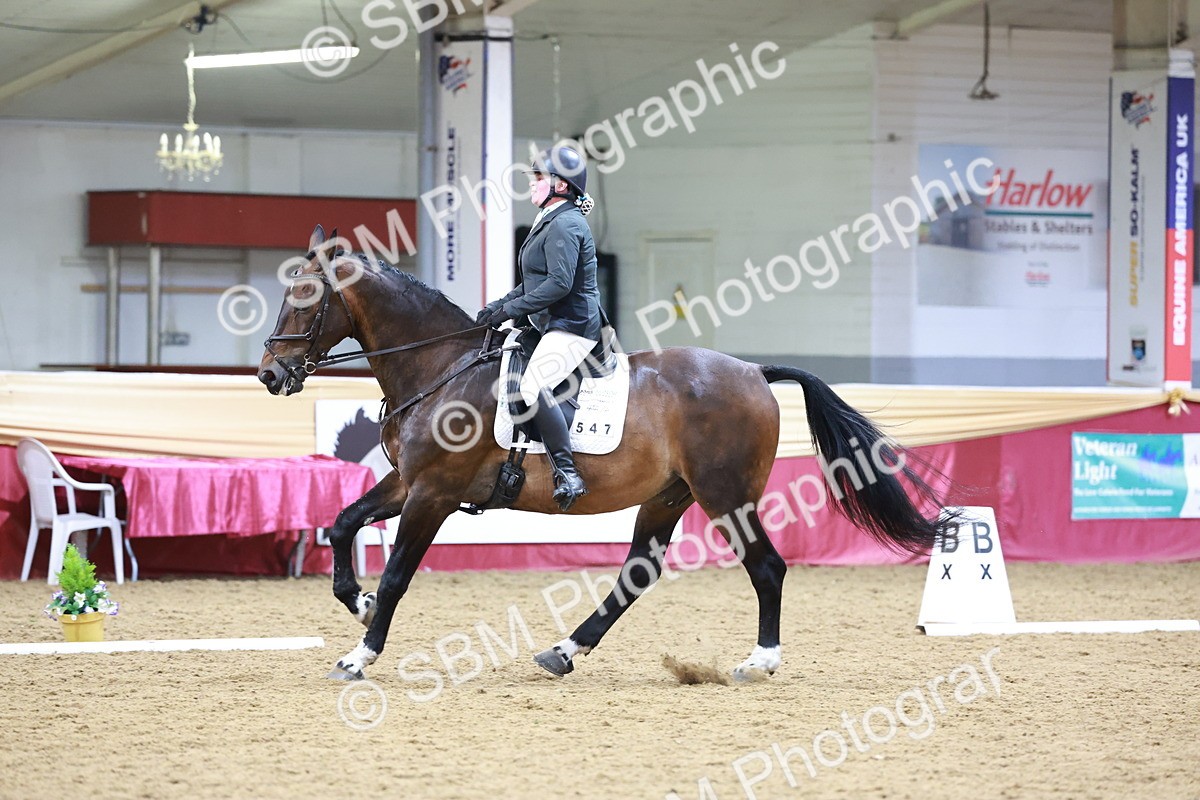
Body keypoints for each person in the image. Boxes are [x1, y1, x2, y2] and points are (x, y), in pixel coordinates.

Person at [476, 145, 602, 512]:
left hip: (573, 325)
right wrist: (498, 307)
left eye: (538, 177)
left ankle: (568, 474)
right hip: (548, 323)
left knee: (532, 386)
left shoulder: (565, 222)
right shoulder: (550, 217)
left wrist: (511, 309)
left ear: (561, 186)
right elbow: (534, 282)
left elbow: (558, 284)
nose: (531, 184)